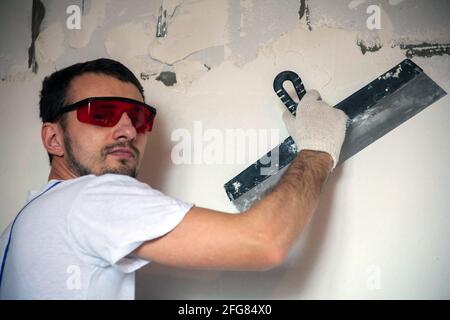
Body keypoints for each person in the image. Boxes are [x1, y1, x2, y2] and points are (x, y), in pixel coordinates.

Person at [0, 58, 348, 299]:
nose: (127, 129)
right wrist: (317, 149)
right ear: (53, 139)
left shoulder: (20, 226)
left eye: (137, 116)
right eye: (102, 113)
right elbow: (264, 242)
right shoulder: (90, 198)